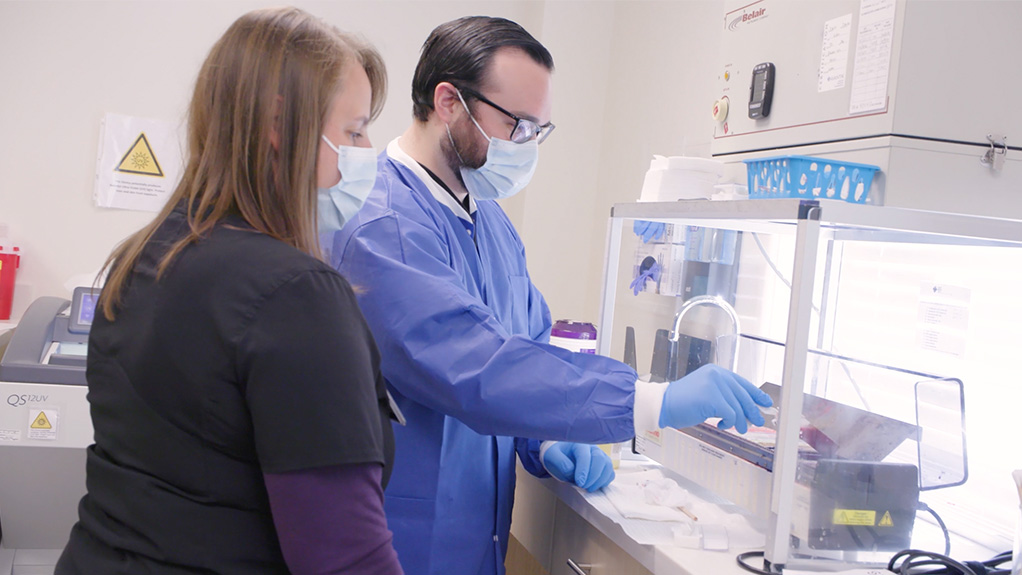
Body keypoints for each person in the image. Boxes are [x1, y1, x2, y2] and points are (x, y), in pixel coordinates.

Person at [328, 16, 772, 575]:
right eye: (518, 126)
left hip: (473, 542)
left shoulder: (488, 221)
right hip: (407, 542)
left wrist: (544, 439)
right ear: (448, 101)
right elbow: (479, 369)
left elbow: (529, 347)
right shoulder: (382, 224)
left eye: (540, 130)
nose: (529, 146)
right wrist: (654, 402)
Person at [55, 7, 402, 574]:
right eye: (354, 130)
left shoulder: (143, 257)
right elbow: (345, 557)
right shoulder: (297, 294)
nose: (367, 152)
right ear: (278, 123)